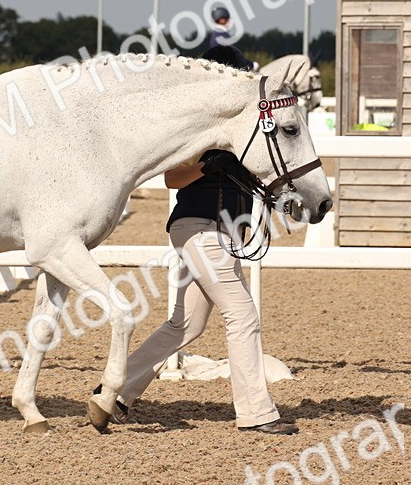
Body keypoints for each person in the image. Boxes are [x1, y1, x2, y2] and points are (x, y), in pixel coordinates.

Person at [93, 44, 298, 435]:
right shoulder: (198, 130)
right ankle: (256, 413)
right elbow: (173, 179)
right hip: (198, 228)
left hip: (218, 233)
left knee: (184, 325)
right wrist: (208, 164)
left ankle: (114, 391)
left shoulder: (238, 130)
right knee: (242, 314)